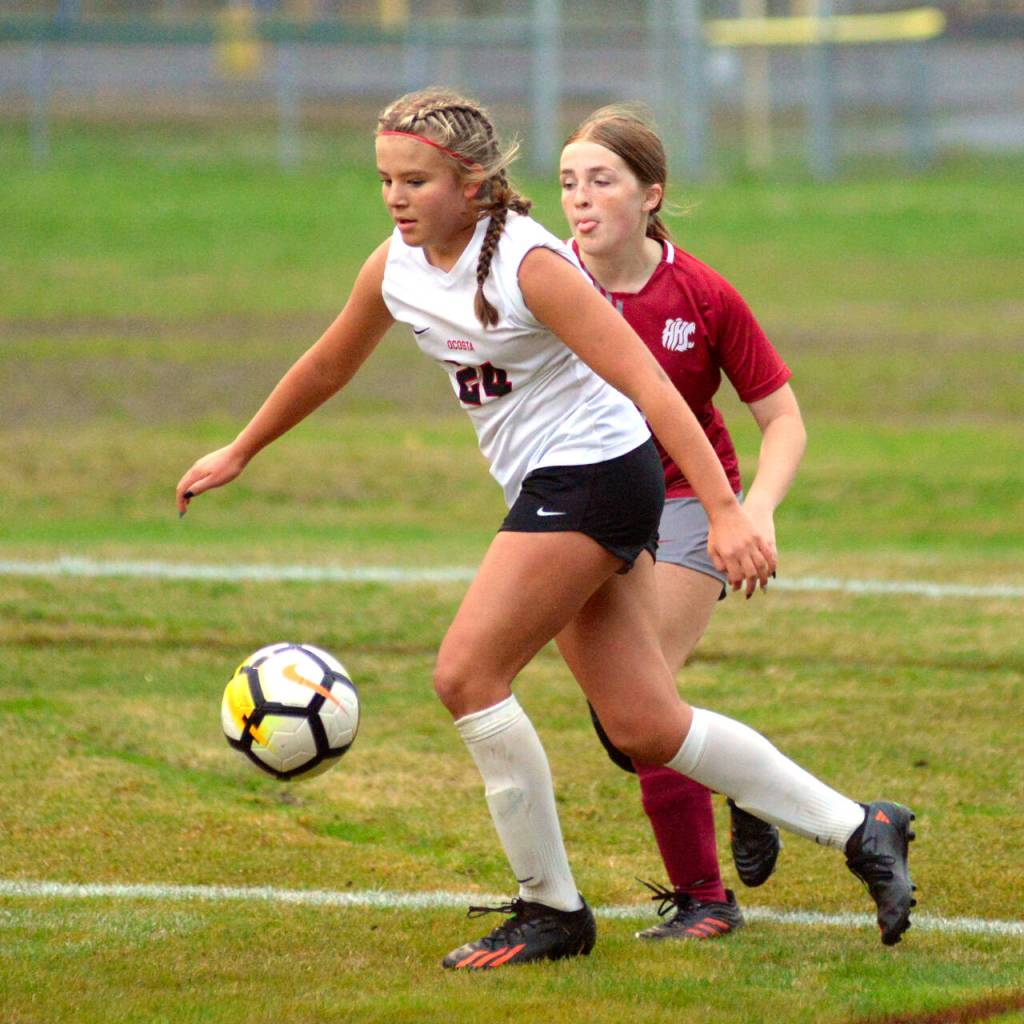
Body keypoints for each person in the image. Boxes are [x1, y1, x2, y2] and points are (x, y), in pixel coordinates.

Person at [175, 87, 916, 970]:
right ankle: (860, 826)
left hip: (597, 477)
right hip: (560, 483)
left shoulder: (528, 265)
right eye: (385, 180)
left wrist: (725, 509)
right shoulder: (397, 266)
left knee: (466, 673)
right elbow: (332, 359)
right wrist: (244, 447)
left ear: (475, 179)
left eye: (416, 180)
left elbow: (647, 384)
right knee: (642, 723)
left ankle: (550, 908)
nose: (396, 198)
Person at [558, 106, 803, 940]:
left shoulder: (699, 294)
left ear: (650, 194)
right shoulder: (548, 280)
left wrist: (754, 515)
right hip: (592, 507)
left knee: (646, 698)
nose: (580, 201)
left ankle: (705, 901)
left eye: (602, 181)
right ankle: (743, 780)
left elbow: (784, 420)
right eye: (567, 183)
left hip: (694, 505)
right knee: (624, 722)